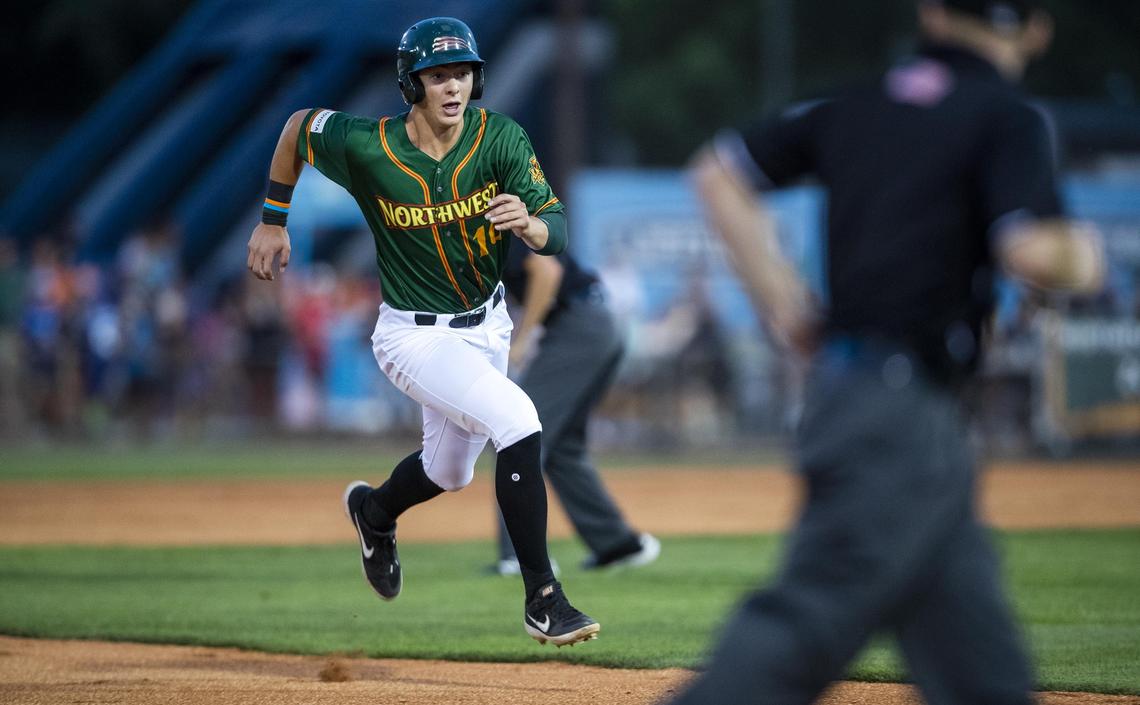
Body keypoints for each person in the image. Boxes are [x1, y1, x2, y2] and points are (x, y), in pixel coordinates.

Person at [670, 1, 1105, 703]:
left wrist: (784, 299)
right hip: (898, 414)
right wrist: (1086, 257)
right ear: (1037, 28)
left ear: (931, 13)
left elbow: (719, 172)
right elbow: (1031, 249)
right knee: (801, 625)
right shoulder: (1006, 116)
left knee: (981, 668)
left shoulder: (857, 102)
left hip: (882, 405)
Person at [245, 16, 599, 648]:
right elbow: (299, 127)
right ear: (412, 83)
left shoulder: (500, 139)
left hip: (487, 324)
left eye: (462, 72)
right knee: (518, 421)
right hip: (412, 335)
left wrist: (533, 226)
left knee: (449, 472)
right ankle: (544, 598)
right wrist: (274, 217)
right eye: (438, 75)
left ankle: (373, 513)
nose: (453, 85)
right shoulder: (370, 146)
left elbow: (559, 228)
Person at [491, 244, 660, 575]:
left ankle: (518, 557)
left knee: (516, 435)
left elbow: (547, 270)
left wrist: (524, 338)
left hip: (578, 325)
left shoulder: (499, 219)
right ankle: (617, 544)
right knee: (562, 447)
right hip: (596, 322)